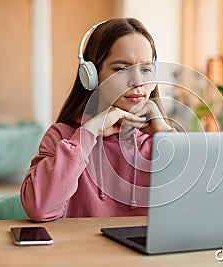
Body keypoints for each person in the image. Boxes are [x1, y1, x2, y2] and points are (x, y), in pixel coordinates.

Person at [21, 18, 173, 222]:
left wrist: (166, 136)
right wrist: (88, 133)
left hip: (142, 254)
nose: (138, 82)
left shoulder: (159, 140)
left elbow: (195, 210)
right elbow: (40, 209)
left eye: (146, 69)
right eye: (121, 69)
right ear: (91, 76)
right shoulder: (62, 137)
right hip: (82, 253)